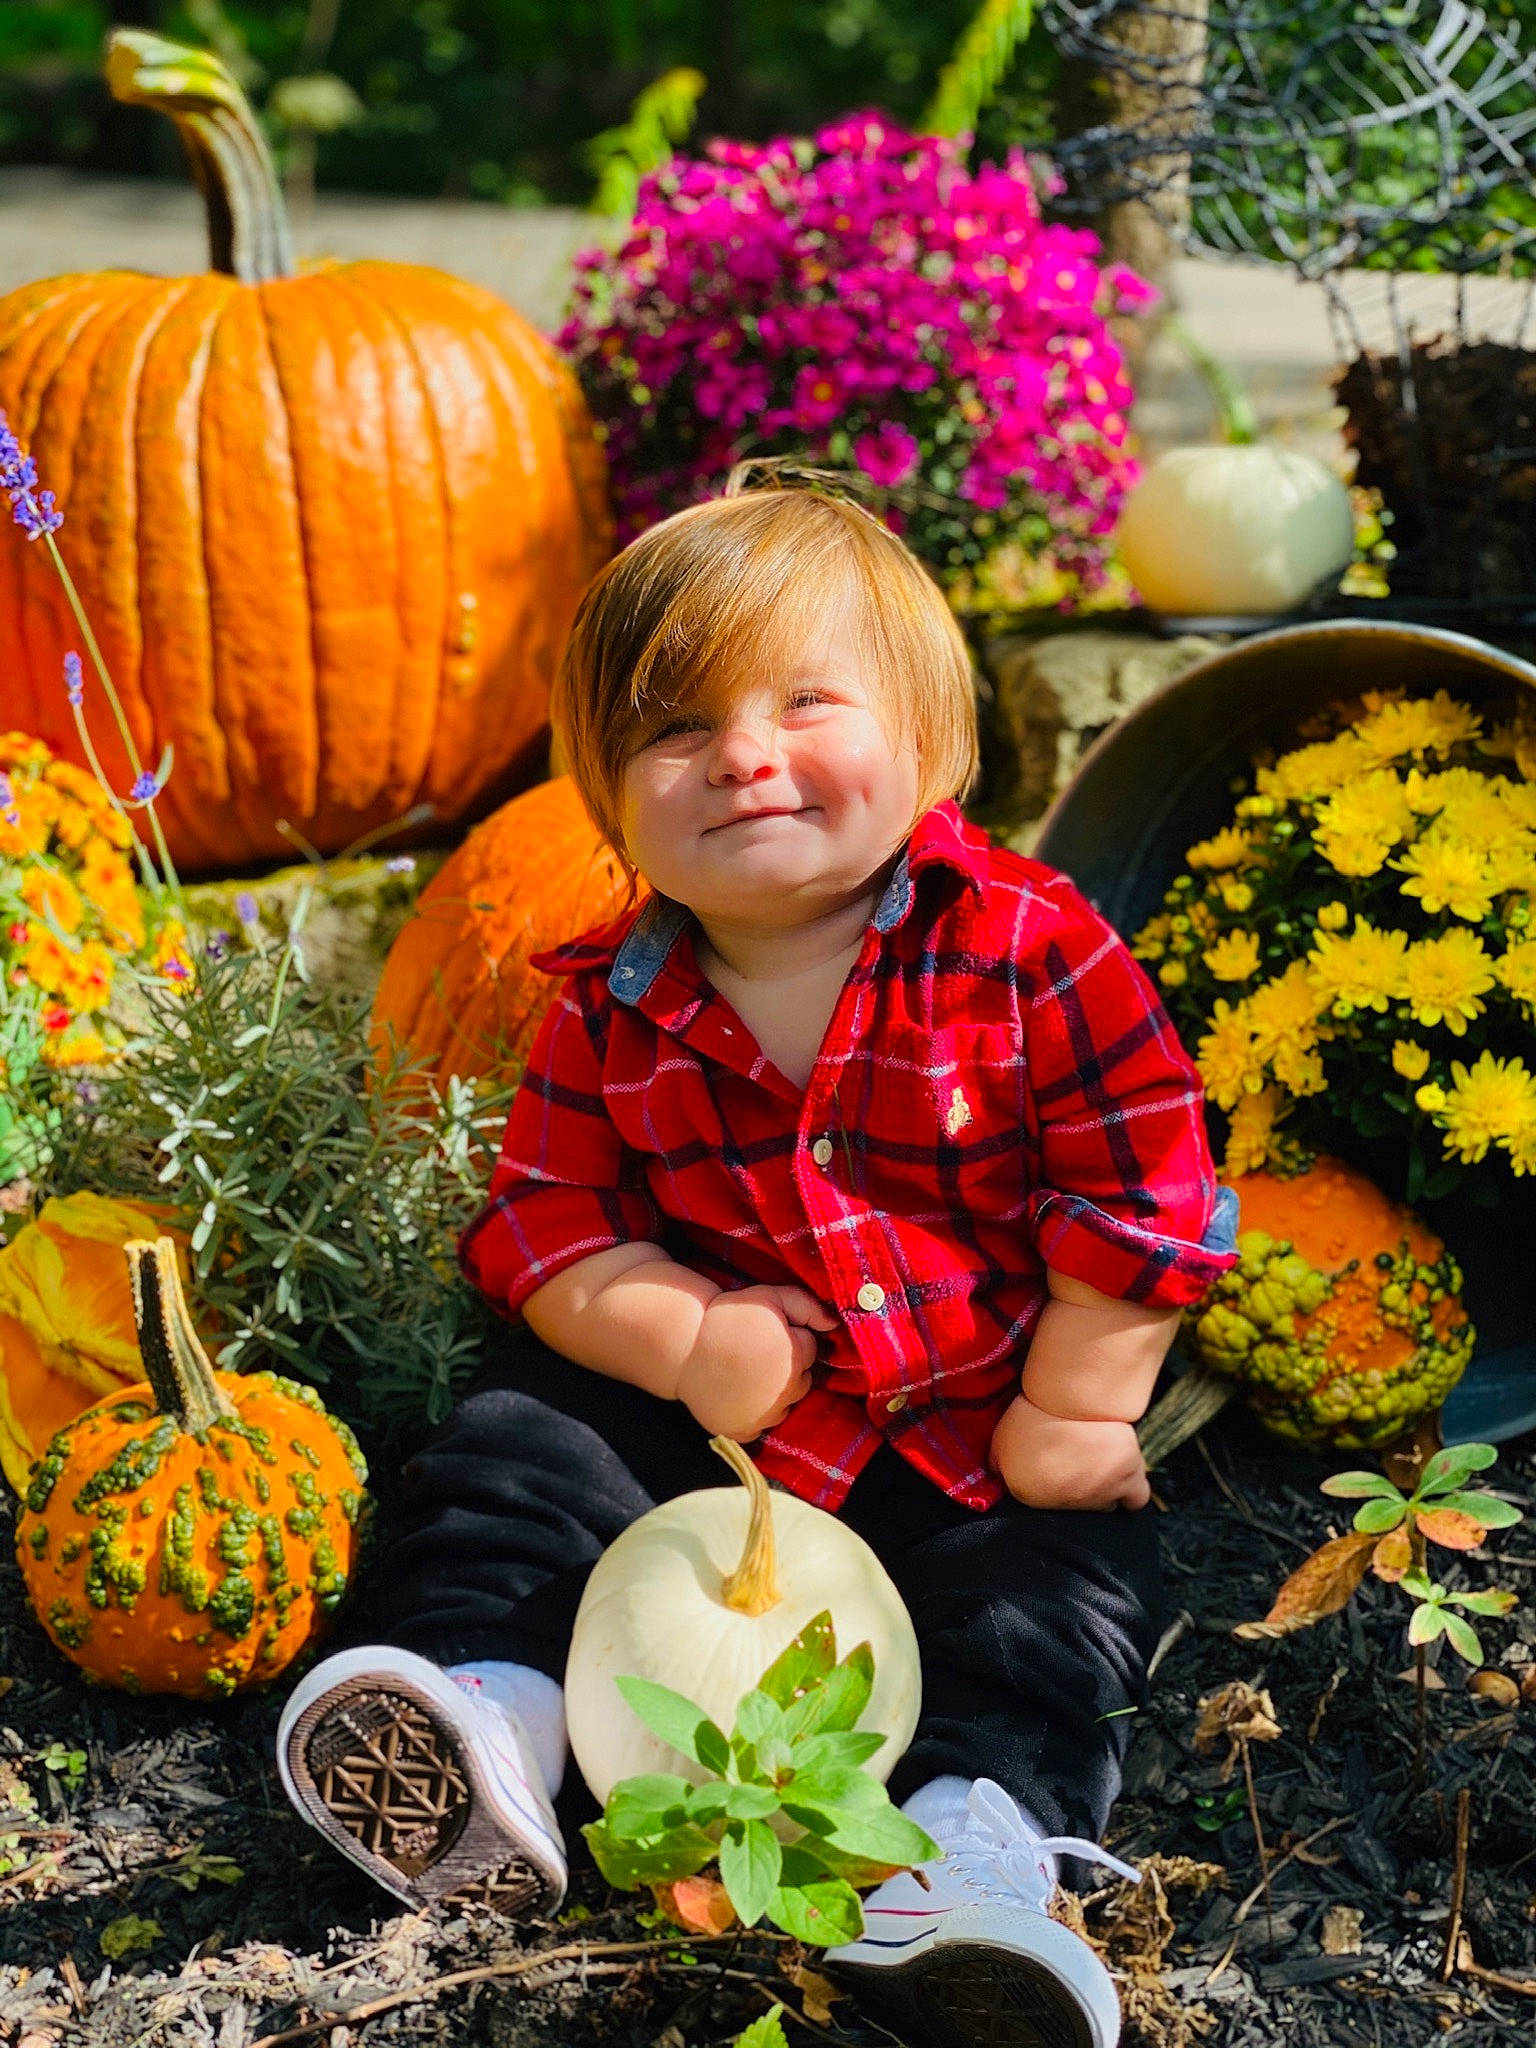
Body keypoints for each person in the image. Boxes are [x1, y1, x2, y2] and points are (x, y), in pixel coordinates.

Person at [276, 488, 1237, 2048]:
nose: (740, 751)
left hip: (973, 1423)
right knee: (522, 1450)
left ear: (927, 736)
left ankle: (971, 1854)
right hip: (717, 1420)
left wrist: (1077, 1401)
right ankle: (486, 1721)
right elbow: (539, 1226)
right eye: (674, 728)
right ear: (605, 796)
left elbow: (1146, 1180)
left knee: (1059, 1598)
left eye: (804, 700)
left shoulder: (1028, 947)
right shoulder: (606, 1002)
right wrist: (674, 1335)